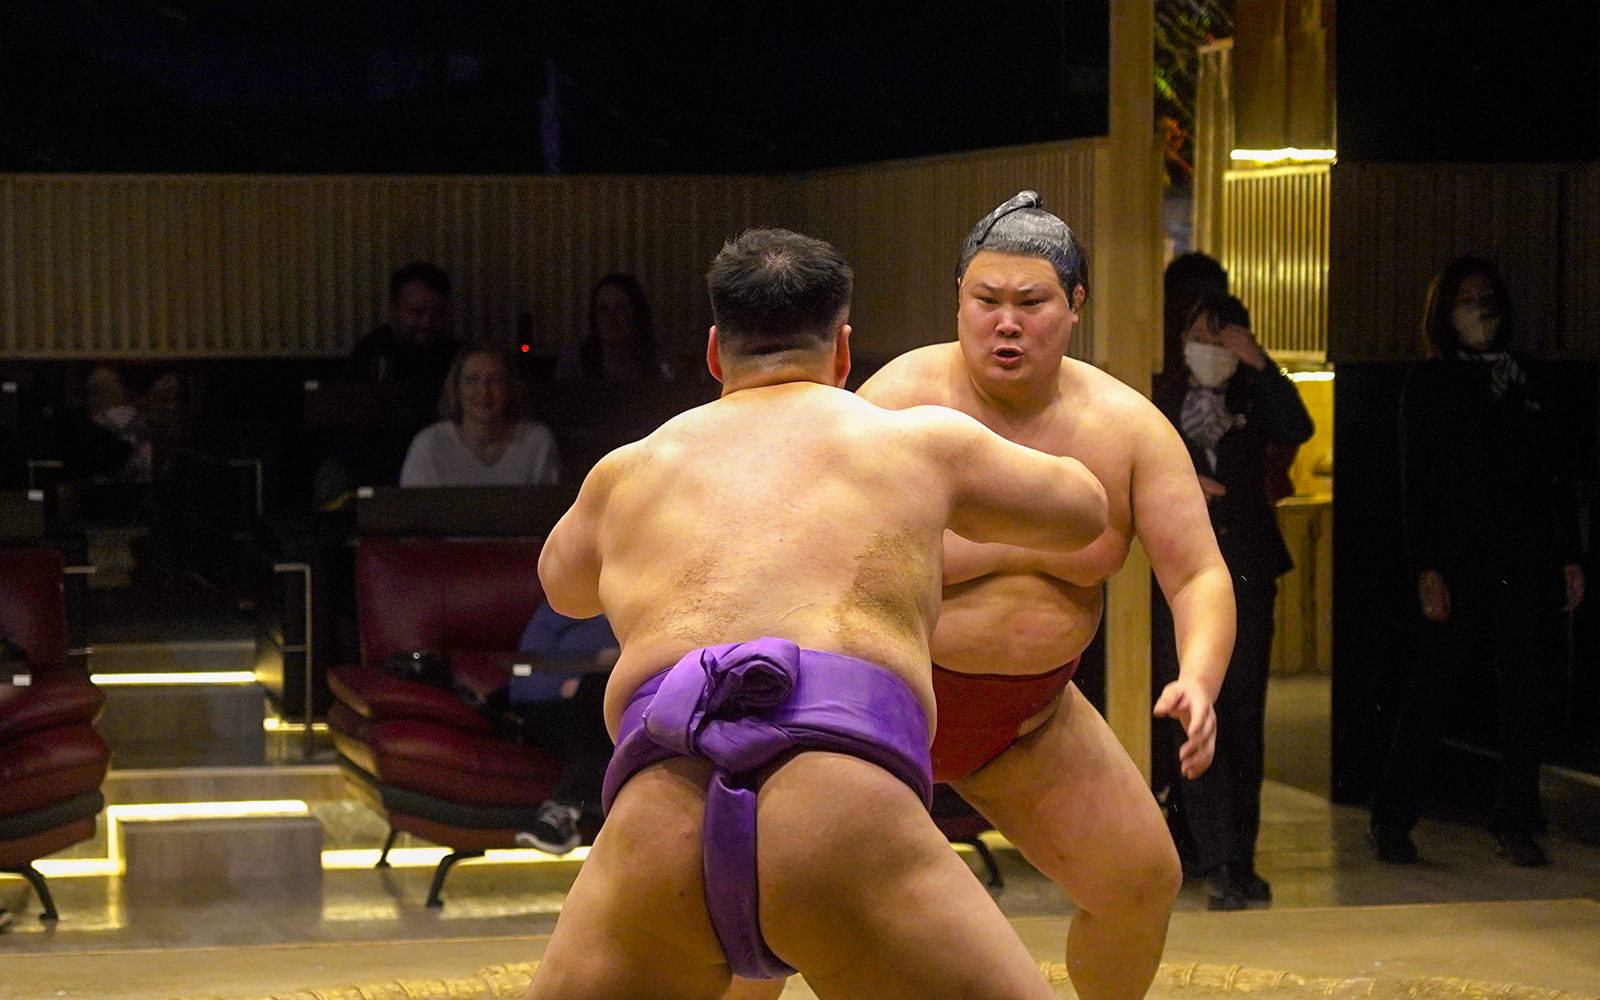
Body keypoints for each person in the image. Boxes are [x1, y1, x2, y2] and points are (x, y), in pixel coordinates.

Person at [527, 228, 1108, 999]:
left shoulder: (629, 470)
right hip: (844, 811)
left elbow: (561, 586)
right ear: (842, 352)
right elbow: (1083, 509)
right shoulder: (918, 441)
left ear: (713, 353)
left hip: (658, 815)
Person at [854, 192, 1234, 1000]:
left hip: (1026, 720)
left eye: (1032, 304)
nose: (1006, 324)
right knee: (771, 904)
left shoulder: (1126, 428)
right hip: (875, 711)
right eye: (985, 301)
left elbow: (1197, 573)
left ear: (1076, 308)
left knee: (1140, 884)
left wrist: (1199, 680)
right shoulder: (892, 405)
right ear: (958, 297)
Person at [1371, 256, 1585, 868]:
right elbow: (1415, 481)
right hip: (1459, 555)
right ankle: (1393, 814)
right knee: (1434, 686)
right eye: (1465, 300)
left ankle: (1516, 817)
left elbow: (1554, 475)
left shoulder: (1526, 379)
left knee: (1525, 691)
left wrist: (1569, 553)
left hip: (1527, 551)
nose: (1479, 310)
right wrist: (1426, 566)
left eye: (1486, 298)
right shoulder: (1432, 382)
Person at [1150, 290, 1314, 910]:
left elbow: (1299, 427)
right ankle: (1212, 854)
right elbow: (1122, 468)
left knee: (1244, 716)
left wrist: (1262, 364)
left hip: (1248, 571)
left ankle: (1241, 856)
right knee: (1194, 709)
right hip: (1179, 578)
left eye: (1224, 339)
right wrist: (1177, 483)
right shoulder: (1160, 401)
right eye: (1202, 335)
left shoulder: (1253, 397)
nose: (1211, 350)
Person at [509, 600, 620, 855]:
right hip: (558, 715)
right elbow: (521, 680)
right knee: (596, 685)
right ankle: (568, 807)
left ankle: (568, 812)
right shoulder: (561, 610)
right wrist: (569, 684)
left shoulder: (653, 615)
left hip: (631, 716)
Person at [399, 343, 560, 487]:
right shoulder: (429, 446)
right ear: (457, 388)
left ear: (509, 388)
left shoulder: (538, 441)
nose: (484, 392)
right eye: (471, 381)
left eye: (494, 380)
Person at [349, 262, 460, 389]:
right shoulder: (370, 354)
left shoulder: (458, 358)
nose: (427, 322)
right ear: (394, 309)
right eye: (417, 312)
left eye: (437, 313)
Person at [556, 273, 674, 382]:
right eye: (603, 309)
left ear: (637, 313)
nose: (611, 318)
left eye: (621, 308)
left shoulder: (658, 355)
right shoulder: (575, 359)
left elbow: (673, 390)